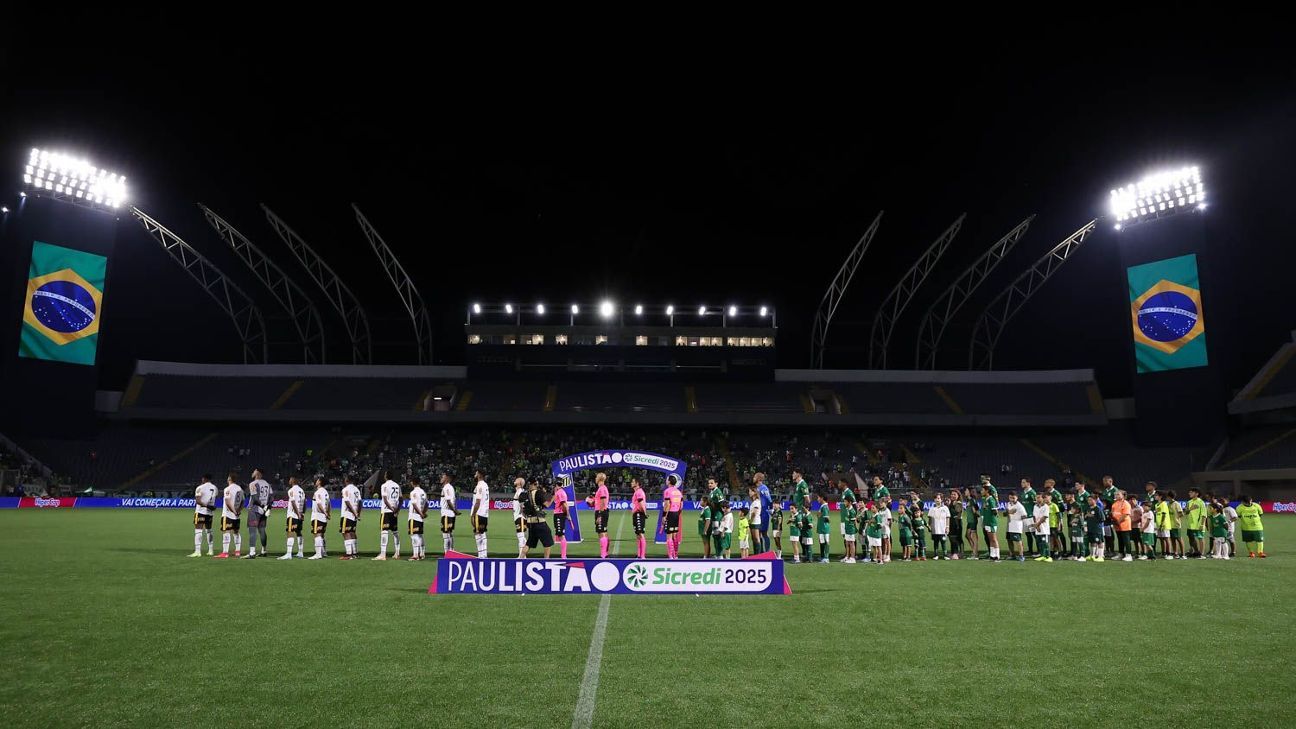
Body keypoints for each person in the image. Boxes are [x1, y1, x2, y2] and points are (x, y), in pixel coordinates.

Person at [374, 470, 403, 561]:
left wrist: (391, 508)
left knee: (384, 531)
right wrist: (397, 510)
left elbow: (385, 499)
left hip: (387, 511)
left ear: (386, 476)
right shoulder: (397, 485)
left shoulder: (384, 485)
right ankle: (397, 553)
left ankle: (383, 554)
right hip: (394, 512)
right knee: (395, 532)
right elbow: (401, 499)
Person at [244, 469, 272, 559]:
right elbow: (272, 497)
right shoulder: (267, 484)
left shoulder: (253, 484)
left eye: (254, 471)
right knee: (262, 530)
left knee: (252, 531)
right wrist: (268, 508)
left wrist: (262, 505)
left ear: (257, 474)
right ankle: (264, 550)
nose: (252, 472)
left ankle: (252, 553)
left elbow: (255, 498)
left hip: (255, 509)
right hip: (264, 511)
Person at [522, 481, 554, 558]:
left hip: (530, 523)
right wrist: (553, 497)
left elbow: (523, 510)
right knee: (548, 543)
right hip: (539, 522)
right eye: (536, 484)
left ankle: (520, 559)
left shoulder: (525, 494)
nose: (537, 485)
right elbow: (547, 504)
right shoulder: (538, 493)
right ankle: (546, 561)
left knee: (528, 543)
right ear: (533, 484)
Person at [216, 474, 244, 559]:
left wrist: (234, 511)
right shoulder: (240, 489)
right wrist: (238, 511)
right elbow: (243, 501)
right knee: (236, 532)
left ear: (229, 479)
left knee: (226, 532)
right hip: (237, 516)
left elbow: (227, 502)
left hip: (228, 514)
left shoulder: (227, 489)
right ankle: (237, 551)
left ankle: (225, 553)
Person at [190, 474, 218, 557]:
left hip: (201, 512)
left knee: (198, 531)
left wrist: (206, 505)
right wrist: (210, 506)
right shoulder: (215, 488)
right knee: (209, 530)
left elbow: (198, 501)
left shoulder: (200, 487)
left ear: (204, 479)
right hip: (210, 513)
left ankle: (197, 551)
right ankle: (211, 550)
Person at [279, 476, 306, 560]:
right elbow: (304, 502)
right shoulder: (301, 490)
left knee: (290, 532)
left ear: (293, 481)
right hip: (300, 515)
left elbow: (293, 502)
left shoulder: (291, 490)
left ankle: (288, 554)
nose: (289, 480)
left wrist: (297, 514)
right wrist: (302, 513)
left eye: (290, 479)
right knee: (299, 532)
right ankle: (300, 552)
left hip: (293, 515)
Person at [589, 472, 611, 558]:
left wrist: (599, 515)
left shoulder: (602, 489)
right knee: (603, 532)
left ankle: (603, 554)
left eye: (596, 477)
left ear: (600, 479)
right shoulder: (602, 488)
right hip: (601, 511)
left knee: (601, 532)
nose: (595, 479)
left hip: (601, 512)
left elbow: (603, 502)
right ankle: (605, 553)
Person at [339, 477, 362, 560]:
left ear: (347, 481)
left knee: (345, 532)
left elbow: (347, 502)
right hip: (354, 516)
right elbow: (360, 502)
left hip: (347, 514)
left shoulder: (345, 489)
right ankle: (355, 553)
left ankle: (349, 554)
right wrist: (358, 514)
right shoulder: (357, 490)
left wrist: (354, 512)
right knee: (352, 532)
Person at [662, 475, 684, 559]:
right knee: (675, 535)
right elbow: (681, 505)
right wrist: (678, 513)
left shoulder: (667, 491)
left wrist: (664, 516)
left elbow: (667, 504)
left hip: (670, 514)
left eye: (667, 480)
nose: (666, 481)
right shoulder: (679, 492)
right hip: (676, 514)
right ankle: (676, 555)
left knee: (669, 536)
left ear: (669, 481)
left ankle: (670, 556)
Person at [471, 469, 490, 559]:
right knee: (483, 534)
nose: (474, 475)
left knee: (478, 534)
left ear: (479, 475)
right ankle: (484, 554)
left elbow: (477, 502)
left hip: (479, 513)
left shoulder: (479, 486)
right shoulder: (486, 485)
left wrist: (473, 514)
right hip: (485, 513)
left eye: (476, 473)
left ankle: (480, 555)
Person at [309, 477, 330, 559]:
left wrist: (325, 512)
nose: (316, 481)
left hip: (317, 515)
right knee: (321, 534)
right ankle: (323, 552)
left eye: (317, 480)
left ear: (320, 482)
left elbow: (318, 504)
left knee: (317, 534)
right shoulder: (325, 492)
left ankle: (318, 554)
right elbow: (329, 503)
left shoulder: (318, 492)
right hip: (323, 517)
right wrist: (328, 513)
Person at [407, 477, 428, 561]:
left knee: (414, 535)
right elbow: (427, 504)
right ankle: (422, 553)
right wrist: (423, 513)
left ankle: (415, 555)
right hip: (420, 518)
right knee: (419, 535)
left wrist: (420, 513)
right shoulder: (423, 492)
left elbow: (414, 505)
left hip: (414, 516)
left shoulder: (413, 492)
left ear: (412, 482)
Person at [1185, 488, 1208, 559]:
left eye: (1191, 492)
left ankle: (1201, 554)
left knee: (1200, 538)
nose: (1189, 493)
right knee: (1191, 538)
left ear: (1196, 493)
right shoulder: (1189, 502)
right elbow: (1186, 512)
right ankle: (1194, 552)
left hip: (1198, 524)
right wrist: (1189, 509)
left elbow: (1204, 514)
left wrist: (1202, 524)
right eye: (1189, 492)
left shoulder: (1201, 502)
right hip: (1190, 524)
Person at [438, 472, 458, 555]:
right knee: (449, 534)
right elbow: (454, 500)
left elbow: (449, 501)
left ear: (447, 478)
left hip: (447, 514)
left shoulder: (446, 488)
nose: (441, 478)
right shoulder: (450, 488)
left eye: (442, 476)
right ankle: (452, 551)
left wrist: (454, 510)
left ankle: (447, 553)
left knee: (445, 535)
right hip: (450, 514)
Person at [1004, 492, 1027, 562]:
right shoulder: (1008, 504)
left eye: (1013, 498)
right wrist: (1009, 512)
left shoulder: (1019, 506)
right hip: (1009, 525)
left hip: (1017, 525)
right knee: (1009, 540)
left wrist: (1017, 516)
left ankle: (1021, 555)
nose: (1012, 499)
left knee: (1018, 540)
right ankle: (1012, 555)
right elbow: (1005, 514)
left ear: (1017, 497)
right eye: (1010, 497)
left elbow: (1025, 515)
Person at [1111, 491, 1133, 561]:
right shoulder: (1114, 504)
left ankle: (1129, 555)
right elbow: (1113, 513)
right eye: (1115, 494)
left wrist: (1118, 521)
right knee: (1120, 540)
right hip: (1117, 525)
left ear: (1123, 495)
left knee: (1126, 540)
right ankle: (1121, 554)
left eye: (1118, 494)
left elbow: (1126, 514)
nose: (1116, 495)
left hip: (1124, 524)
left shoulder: (1126, 503)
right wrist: (1114, 521)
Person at [981, 484, 1000, 562]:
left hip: (991, 522)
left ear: (987, 491)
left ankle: (997, 556)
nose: (981, 492)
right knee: (990, 539)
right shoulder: (986, 499)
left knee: (994, 539)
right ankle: (992, 555)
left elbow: (995, 511)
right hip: (987, 522)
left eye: (982, 490)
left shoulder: (991, 499)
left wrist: (995, 514)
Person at [552, 480, 571, 558]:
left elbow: (564, 505)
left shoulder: (560, 492)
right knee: (559, 534)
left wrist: (567, 514)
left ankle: (563, 556)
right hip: (558, 514)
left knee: (561, 535)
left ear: (556, 485)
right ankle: (563, 555)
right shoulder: (559, 492)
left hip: (559, 514)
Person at [928, 493, 950, 560]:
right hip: (935, 529)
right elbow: (930, 518)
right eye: (936, 498)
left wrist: (947, 527)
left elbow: (947, 517)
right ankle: (936, 555)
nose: (937, 500)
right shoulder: (932, 509)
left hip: (942, 528)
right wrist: (929, 526)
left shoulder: (945, 508)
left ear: (941, 499)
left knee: (943, 542)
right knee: (936, 542)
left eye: (938, 498)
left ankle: (945, 555)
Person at [755, 472, 773, 552]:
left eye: (754, 477)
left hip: (763, 513)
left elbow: (769, 499)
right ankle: (761, 552)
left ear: (758, 479)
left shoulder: (763, 488)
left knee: (764, 533)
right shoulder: (756, 488)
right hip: (758, 513)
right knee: (758, 533)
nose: (753, 478)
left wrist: (771, 509)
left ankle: (767, 551)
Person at [1032, 492, 1052, 562]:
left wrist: (1037, 525)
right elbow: (1034, 516)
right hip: (1038, 528)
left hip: (1044, 529)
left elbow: (1044, 517)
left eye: (1038, 497)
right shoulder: (1035, 506)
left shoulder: (1046, 506)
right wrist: (1036, 525)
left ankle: (1048, 556)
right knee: (1040, 542)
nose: (1037, 499)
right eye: (1036, 497)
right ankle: (1042, 555)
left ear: (1042, 498)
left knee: (1045, 543)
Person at [1101, 476, 1119, 555]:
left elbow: (1116, 503)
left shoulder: (1115, 490)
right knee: (1106, 534)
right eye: (1103, 481)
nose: (1104, 483)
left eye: (1105, 481)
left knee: (1110, 534)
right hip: (1105, 513)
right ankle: (1107, 550)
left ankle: (1112, 550)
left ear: (1110, 481)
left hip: (1111, 515)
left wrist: (1113, 514)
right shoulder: (1105, 491)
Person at [630, 477, 648, 559]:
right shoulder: (637, 492)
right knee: (638, 534)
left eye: (633, 481)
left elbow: (641, 504)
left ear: (637, 483)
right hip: (636, 514)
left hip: (638, 514)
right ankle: (639, 554)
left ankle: (643, 555)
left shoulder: (639, 492)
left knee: (640, 534)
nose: (631, 483)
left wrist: (643, 513)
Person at [1085, 495, 1106, 562]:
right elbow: (1087, 518)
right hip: (1090, 528)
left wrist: (1092, 516)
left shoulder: (1098, 509)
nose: (1089, 501)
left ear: (1095, 500)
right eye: (1088, 500)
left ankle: (1100, 556)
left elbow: (1102, 519)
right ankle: (1092, 555)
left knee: (1099, 541)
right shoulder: (1089, 509)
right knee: (1092, 541)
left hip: (1097, 529)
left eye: (1091, 500)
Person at [1020, 478, 1038, 556]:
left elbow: (1036, 504)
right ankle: (1030, 550)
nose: (1021, 484)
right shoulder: (1023, 493)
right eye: (1021, 482)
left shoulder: (1032, 492)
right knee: (1028, 534)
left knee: (1034, 534)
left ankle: (1039, 550)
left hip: (1031, 516)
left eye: (1023, 482)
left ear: (1028, 483)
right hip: (1025, 517)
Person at [512, 477, 528, 558]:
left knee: (520, 536)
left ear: (519, 483)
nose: (515, 480)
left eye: (516, 480)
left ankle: (521, 557)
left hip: (520, 517)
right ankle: (523, 556)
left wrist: (522, 514)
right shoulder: (519, 491)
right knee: (522, 537)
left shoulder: (520, 491)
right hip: (518, 517)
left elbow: (523, 504)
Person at [1167, 490, 1186, 559]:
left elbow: (1181, 514)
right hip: (1170, 525)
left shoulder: (1176, 504)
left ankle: (1183, 554)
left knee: (1179, 539)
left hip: (1176, 525)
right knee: (1172, 539)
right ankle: (1175, 553)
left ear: (1169, 497)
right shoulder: (1168, 504)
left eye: (1168, 497)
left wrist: (1177, 517)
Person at [1066, 494, 1085, 561]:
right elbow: (1071, 522)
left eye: (1073, 509)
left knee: (1080, 542)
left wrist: (1083, 529)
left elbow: (1082, 524)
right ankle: (1074, 555)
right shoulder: (1073, 516)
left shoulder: (1078, 516)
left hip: (1078, 531)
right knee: (1074, 542)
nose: (1071, 509)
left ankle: (1082, 556)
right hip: (1073, 530)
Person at [1154, 491, 1173, 559]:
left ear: (1160, 496)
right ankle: (1164, 553)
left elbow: (1164, 514)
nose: (1155, 496)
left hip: (1164, 524)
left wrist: (1162, 524)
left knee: (1166, 538)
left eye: (1156, 495)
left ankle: (1169, 554)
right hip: (1159, 525)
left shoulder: (1164, 504)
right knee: (1161, 539)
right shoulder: (1156, 505)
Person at [946, 489, 963, 560]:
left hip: (956, 523)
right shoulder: (952, 503)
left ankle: (956, 554)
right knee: (951, 538)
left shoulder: (958, 503)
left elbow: (958, 513)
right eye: (952, 494)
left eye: (954, 494)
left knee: (955, 538)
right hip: (951, 522)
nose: (952, 495)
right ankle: (953, 553)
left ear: (958, 496)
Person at [815, 494, 831, 563]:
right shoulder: (822, 506)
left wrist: (819, 515)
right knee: (822, 542)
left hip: (824, 527)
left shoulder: (824, 507)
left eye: (818, 497)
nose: (817, 499)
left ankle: (826, 558)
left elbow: (827, 518)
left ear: (822, 498)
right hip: (821, 527)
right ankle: (823, 557)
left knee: (826, 542)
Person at [747, 485, 763, 556]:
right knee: (754, 539)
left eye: (750, 491)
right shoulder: (754, 501)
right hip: (754, 522)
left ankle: (758, 555)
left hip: (755, 522)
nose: (749, 493)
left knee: (756, 539)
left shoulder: (756, 502)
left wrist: (750, 521)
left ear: (754, 492)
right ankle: (756, 554)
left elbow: (754, 513)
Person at [964, 488, 980, 559]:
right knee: (967, 535)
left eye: (966, 491)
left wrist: (977, 514)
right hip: (969, 521)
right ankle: (974, 550)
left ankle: (975, 554)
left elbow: (976, 510)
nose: (965, 492)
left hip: (973, 520)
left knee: (974, 537)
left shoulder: (972, 500)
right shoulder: (968, 500)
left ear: (970, 492)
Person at [898, 497, 914, 561]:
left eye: (901, 508)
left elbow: (909, 524)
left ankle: (908, 557)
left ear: (904, 509)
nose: (899, 509)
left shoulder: (905, 516)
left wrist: (910, 531)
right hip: (902, 532)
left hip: (907, 532)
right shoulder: (900, 516)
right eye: (899, 508)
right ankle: (904, 556)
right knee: (904, 545)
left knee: (908, 545)